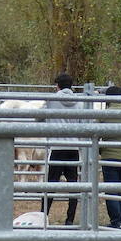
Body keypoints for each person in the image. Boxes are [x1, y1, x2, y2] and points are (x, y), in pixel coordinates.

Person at [42, 72, 82, 226]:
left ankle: (43, 216)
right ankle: (70, 219)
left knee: (50, 184)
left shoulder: (52, 100)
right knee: (73, 185)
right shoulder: (80, 102)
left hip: (57, 147)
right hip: (74, 148)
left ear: (57, 85)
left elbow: (39, 116)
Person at [99, 85, 121, 229]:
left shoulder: (104, 114)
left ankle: (116, 221)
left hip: (109, 156)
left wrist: (102, 149)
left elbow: (96, 133)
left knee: (112, 190)